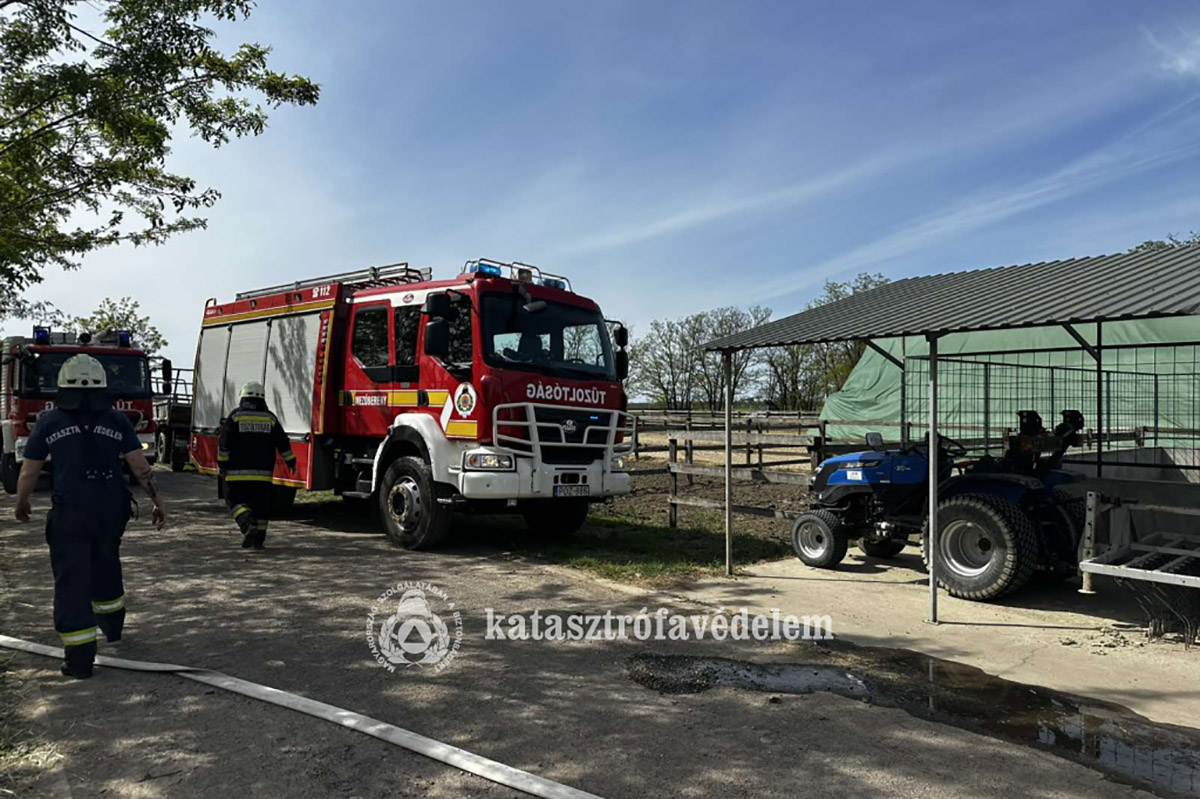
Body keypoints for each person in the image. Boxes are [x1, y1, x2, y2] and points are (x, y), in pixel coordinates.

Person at [13, 354, 167, 679]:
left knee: (71, 579)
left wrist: (22, 502)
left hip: (70, 512)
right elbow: (140, 466)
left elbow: (29, 471)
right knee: (107, 563)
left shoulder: (49, 422)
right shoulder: (117, 420)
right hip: (111, 510)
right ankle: (112, 628)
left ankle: (80, 660)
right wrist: (157, 501)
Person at [218, 381, 296, 549]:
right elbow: (283, 442)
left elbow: (224, 444)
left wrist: (222, 465)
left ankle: (247, 524)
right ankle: (259, 541)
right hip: (263, 475)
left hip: (236, 474)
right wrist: (290, 460)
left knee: (234, 501)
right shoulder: (270, 418)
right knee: (261, 507)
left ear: (243, 397)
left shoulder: (235, 417)